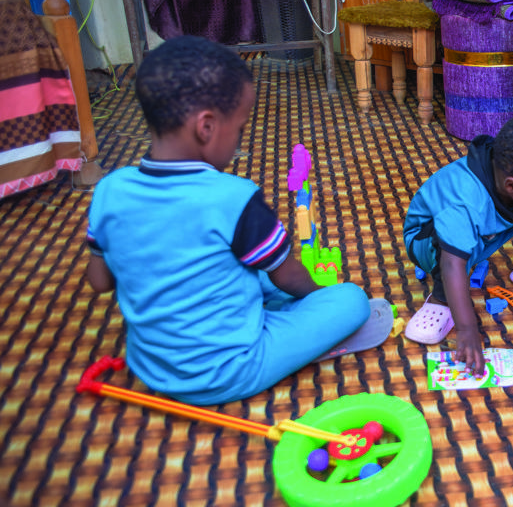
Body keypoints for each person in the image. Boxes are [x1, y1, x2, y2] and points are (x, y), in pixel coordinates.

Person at [86, 36, 384, 406]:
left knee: (244, 268)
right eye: (240, 128)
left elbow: (99, 282)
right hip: (231, 370)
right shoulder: (234, 197)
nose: (241, 138)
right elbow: (290, 277)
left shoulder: (109, 190)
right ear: (206, 127)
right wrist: (320, 301)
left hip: (149, 366)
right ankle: (300, 335)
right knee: (351, 301)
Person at [403, 112, 513, 374]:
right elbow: (454, 264)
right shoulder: (465, 201)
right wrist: (467, 330)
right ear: (512, 185)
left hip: (484, 230)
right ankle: (440, 301)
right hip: (429, 242)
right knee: (453, 250)